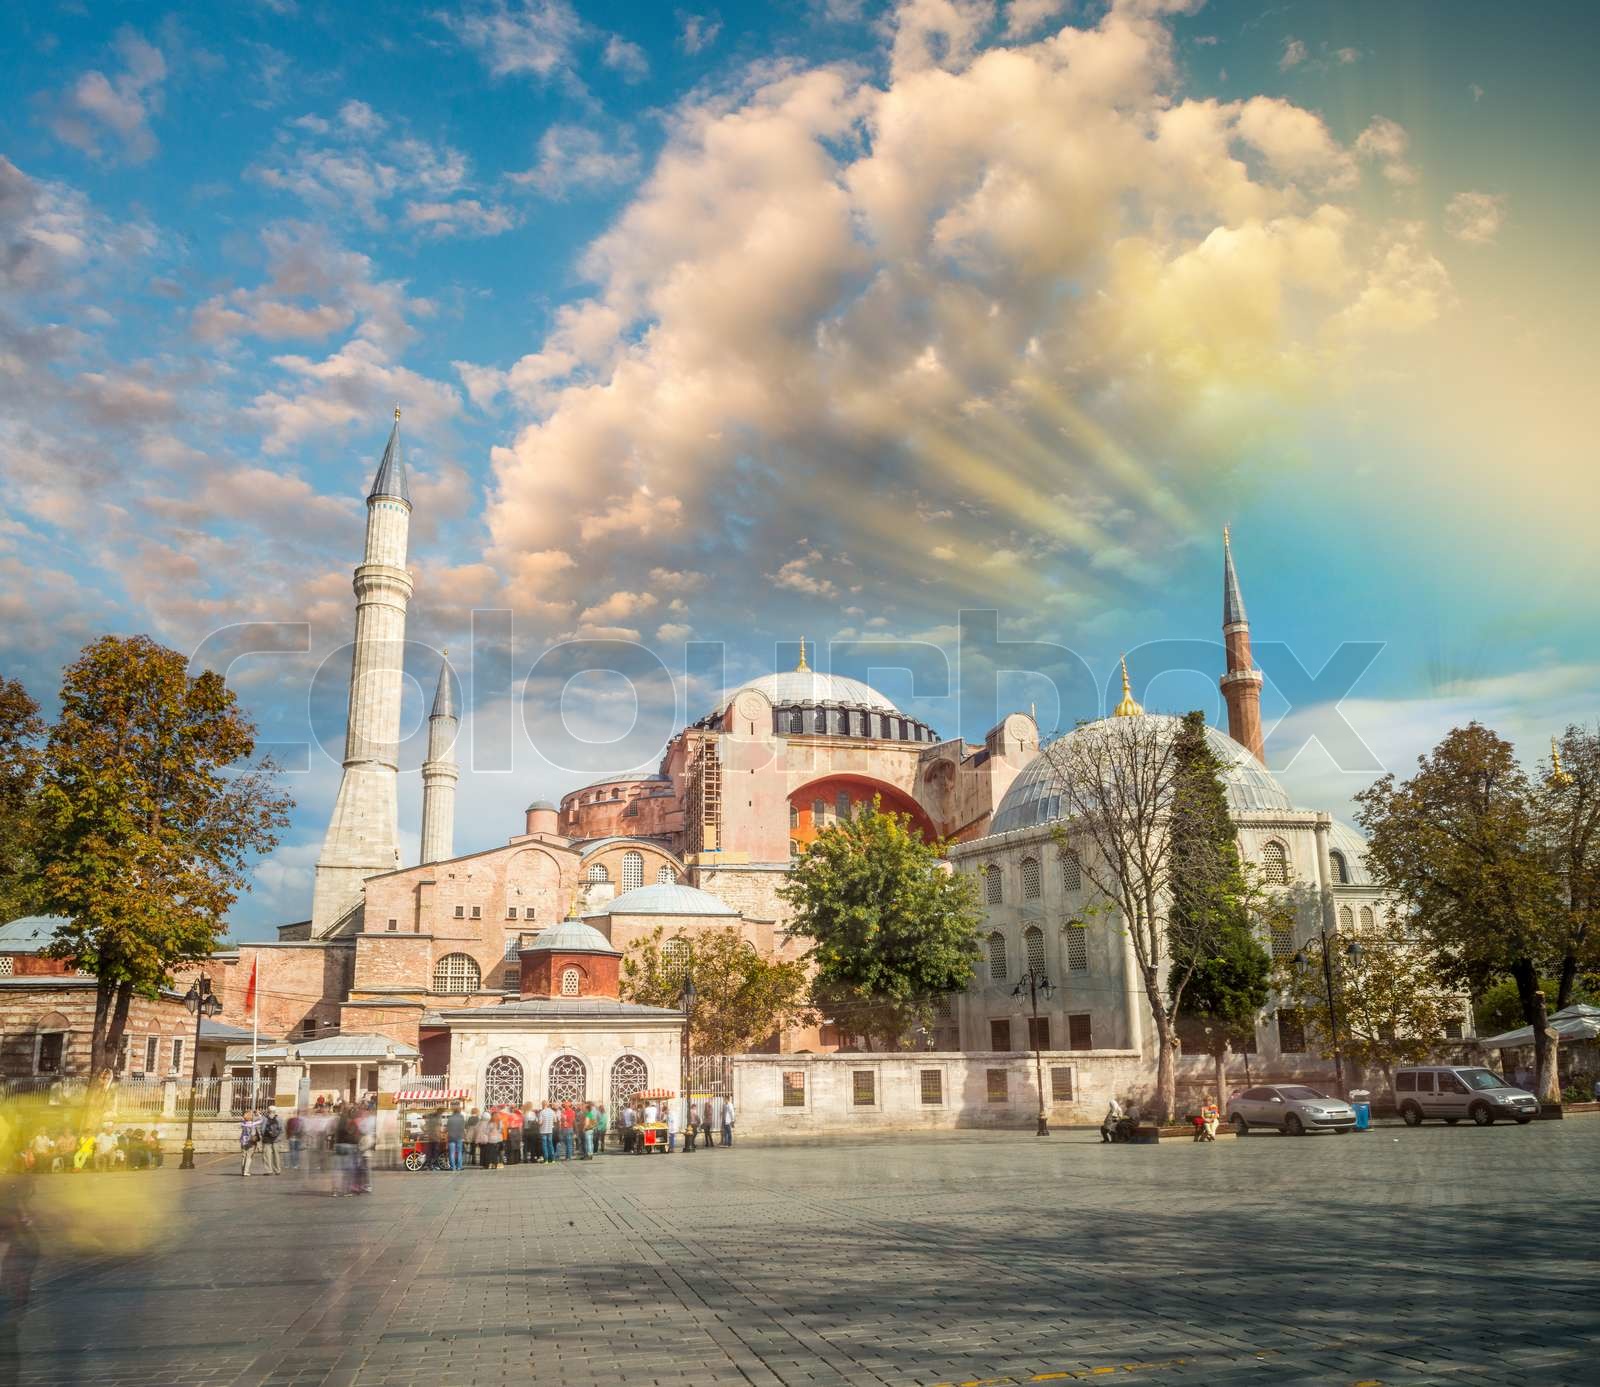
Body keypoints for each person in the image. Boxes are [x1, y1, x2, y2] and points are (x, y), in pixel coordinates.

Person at [259, 1105, 283, 1174]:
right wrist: (278, 1137)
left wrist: (263, 1136)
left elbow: (262, 1129)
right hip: (276, 1139)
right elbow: (282, 1130)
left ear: (268, 1111)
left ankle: (269, 1170)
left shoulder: (264, 1118)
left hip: (267, 1140)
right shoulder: (279, 1118)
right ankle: (277, 1170)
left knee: (267, 1155)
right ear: (275, 1111)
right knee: (276, 1155)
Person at [239, 1109, 262, 1176]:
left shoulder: (243, 1124)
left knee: (243, 1156)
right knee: (249, 1157)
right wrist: (258, 1114)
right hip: (250, 1141)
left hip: (243, 1141)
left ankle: (243, 1171)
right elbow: (261, 1120)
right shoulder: (252, 1124)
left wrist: (248, 1114)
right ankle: (246, 1171)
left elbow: (243, 1119)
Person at [446, 1102, 465, 1172]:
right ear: (460, 1110)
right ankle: (459, 1167)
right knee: (459, 1152)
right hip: (459, 1136)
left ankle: (453, 1167)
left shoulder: (450, 1117)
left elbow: (447, 1127)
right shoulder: (461, 1117)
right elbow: (463, 1127)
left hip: (451, 1137)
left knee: (452, 1152)